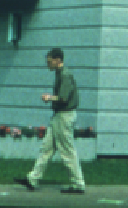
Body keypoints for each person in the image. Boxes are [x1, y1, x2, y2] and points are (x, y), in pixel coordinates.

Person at [16, 48, 86, 194]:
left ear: (58, 59)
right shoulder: (60, 74)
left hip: (64, 116)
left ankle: (78, 184)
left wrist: (49, 98)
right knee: (46, 148)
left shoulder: (65, 75)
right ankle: (32, 179)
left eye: (50, 61)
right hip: (58, 116)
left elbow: (63, 98)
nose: (48, 64)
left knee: (67, 150)